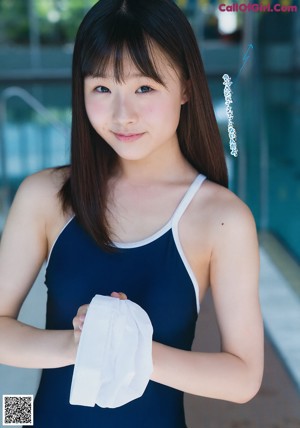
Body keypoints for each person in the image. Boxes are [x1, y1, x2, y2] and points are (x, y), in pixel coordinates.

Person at [0, 0, 264, 427]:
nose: (123, 115)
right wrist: (78, 344)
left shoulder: (221, 218)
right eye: (102, 89)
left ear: (185, 87)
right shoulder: (45, 195)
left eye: (144, 87)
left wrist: (133, 346)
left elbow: (243, 378)